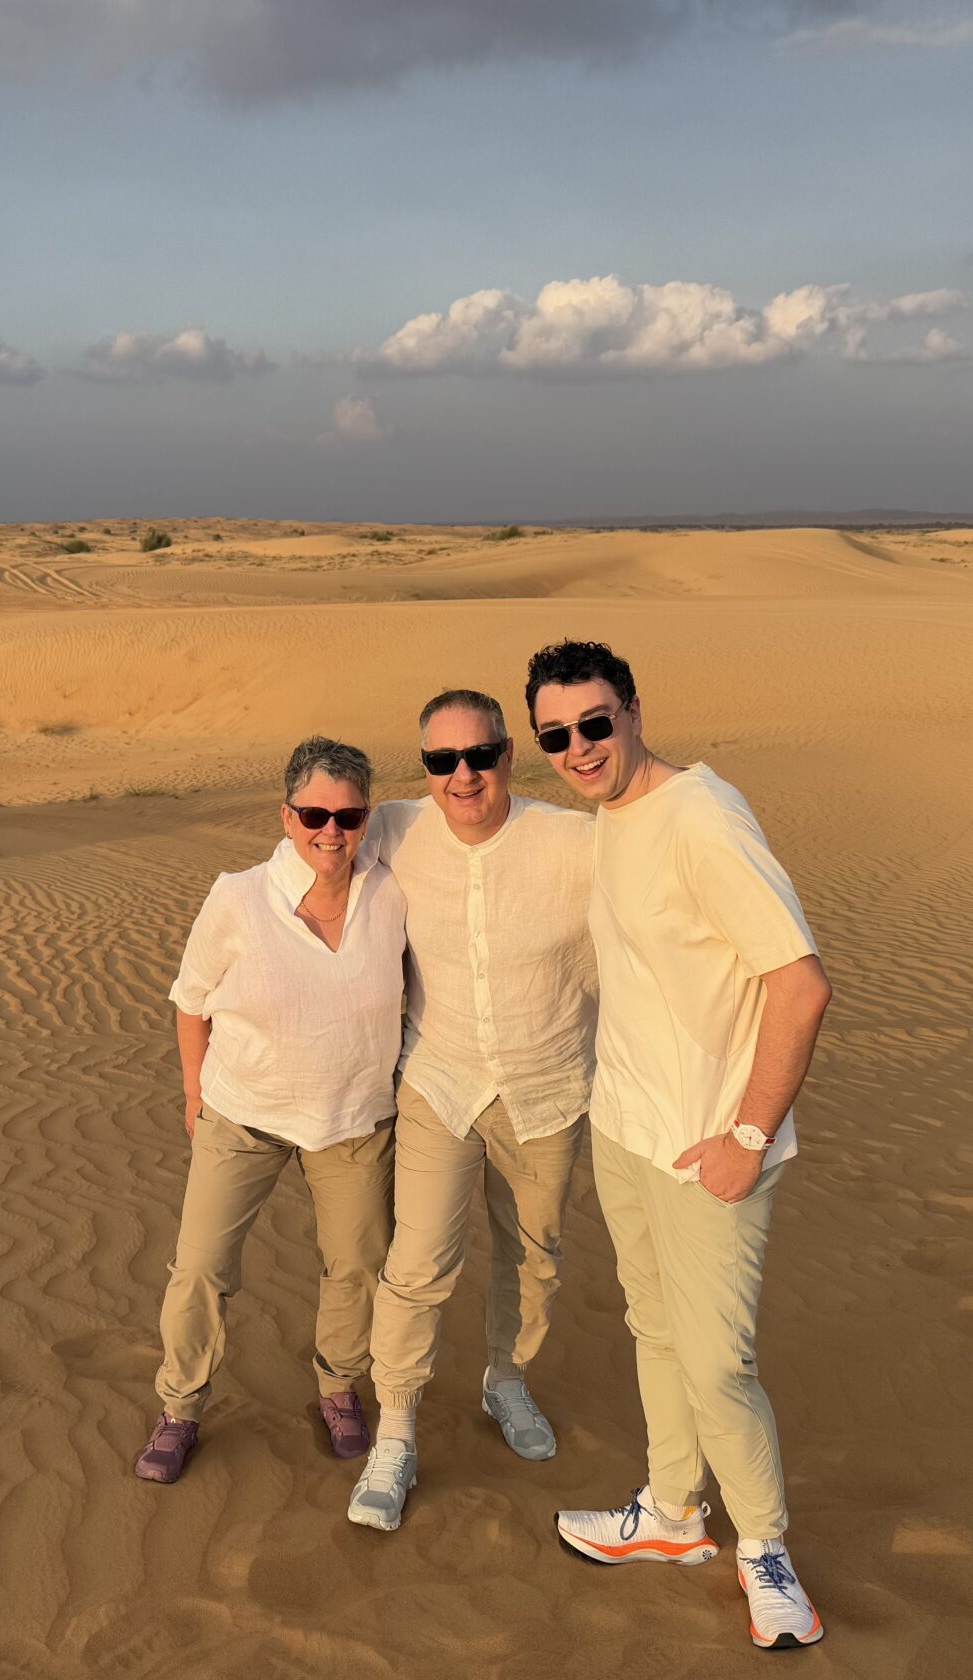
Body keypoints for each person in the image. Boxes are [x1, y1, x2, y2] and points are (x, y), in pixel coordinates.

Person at [527, 640, 832, 1651]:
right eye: (556, 735)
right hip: (627, 1129)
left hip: (712, 1147)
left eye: (594, 724)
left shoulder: (703, 816)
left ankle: (766, 1549)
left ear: (633, 712)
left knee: (716, 1367)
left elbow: (801, 986)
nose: (579, 748)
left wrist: (749, 1135)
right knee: (654, 1330)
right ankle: (670, 1511)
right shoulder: (611, 819)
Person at [346, 688, 597, 1533]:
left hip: (547, 1089)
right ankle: (396, 1432)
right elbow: (313, 854)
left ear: (508, 757)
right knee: (417, 1264)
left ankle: (506, 1380)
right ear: (424, 767)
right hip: (440, 1081)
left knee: (535, 1257)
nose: (463, 775)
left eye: (480, 755)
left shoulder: (573, 841)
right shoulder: (395, 828)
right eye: (442, 759)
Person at [134, 736, 406, 1484]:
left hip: (354, 1121)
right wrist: (195, 1094)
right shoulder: (239, 897)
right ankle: (180, 1407)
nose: (331, 831)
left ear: (367, 817)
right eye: (314, 814)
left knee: (358, 1266)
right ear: (287, 817)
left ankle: (338, 1388)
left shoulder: (392, 892)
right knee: (200, 1268)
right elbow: (191, 1001)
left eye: (348, 816)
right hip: (242, 1115)